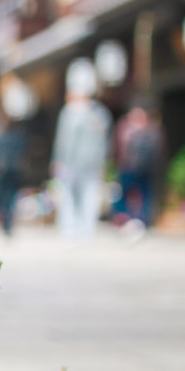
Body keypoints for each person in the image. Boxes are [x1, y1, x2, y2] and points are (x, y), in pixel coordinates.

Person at [51, 63, 112, 240]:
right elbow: (62, 141)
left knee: (89, 196)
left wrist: (102, 162)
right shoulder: (69, 112)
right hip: (70, 163)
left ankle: (86, 229)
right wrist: (58, 160)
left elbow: (103, 141)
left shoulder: (98, 113)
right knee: (68, 196)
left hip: (90, 163)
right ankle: (69, 228)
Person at [114, 99, 164, 228]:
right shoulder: (125, 128)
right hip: (128, 167)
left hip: (145, 169)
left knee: (145, 195)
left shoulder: (152, 129)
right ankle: (124, 219)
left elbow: (157, 150)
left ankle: (142, 221)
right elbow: (119, 147)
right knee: (124, 194)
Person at [0, 117, 28, 236]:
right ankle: (8, 222)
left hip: (2, 172)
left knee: (3, 199)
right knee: (11, 198)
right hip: (13, 172)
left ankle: (6, 222)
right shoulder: (19, 139)